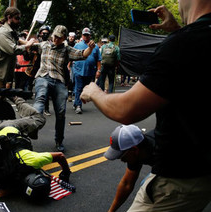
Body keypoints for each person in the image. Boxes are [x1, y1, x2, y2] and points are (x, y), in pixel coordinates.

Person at [81, 2, 211, 211]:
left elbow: (126, 110)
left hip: (179, 178)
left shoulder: (185, 43)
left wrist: (95, 92)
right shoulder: (193, 40)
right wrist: (178, 30)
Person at [0, 97, 71, 198]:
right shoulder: (5, 182)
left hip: (9, 128)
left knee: (39, 118)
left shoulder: (30, 160)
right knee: (36, 123)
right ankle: (29, 131)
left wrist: (66, 173)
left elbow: (60, 156)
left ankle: (16, 98)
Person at [32, 25, 95, 152]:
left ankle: (59, 140)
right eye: (54, 36)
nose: (55, 39)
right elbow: (27, 45)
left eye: (59, 38)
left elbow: (82, 54)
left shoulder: (66, 49)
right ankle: (33, 126)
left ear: (64, 38)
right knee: (41, 97)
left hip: (58, 80)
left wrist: (90, 48)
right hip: (43, 77)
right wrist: (23, 41)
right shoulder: (44, 45)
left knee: (61, 112)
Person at [0, 7, 34, 129]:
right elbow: (13, 49)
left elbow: (15, 42)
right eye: (17, 18)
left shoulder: (9, 31)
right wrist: (28, 45)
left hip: (1, 70)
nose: (19, 21)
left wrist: (25, 43)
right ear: (9, 18)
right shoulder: (3, 32)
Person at [104, 125, 155, 212]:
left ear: (134, 150)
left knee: (155, 190)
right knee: (146, 185)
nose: (121, 160)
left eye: (122, 156)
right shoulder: (139, 150)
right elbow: (127, 184)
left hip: (179, 169)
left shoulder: (161, 151)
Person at [72, 27, 101, 114]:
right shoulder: (77, 45)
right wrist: (70, 65)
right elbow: (72, 56)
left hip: (90, 71)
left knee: (85, 89)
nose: (86, 37)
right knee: (79, 88)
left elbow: (98, 60)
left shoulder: (95, 47)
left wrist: (98, 70)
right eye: (84, 35)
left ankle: (76, 102)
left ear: (90, 36)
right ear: (82, 35)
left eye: (87, 35)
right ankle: (78, 106)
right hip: (78, 70)